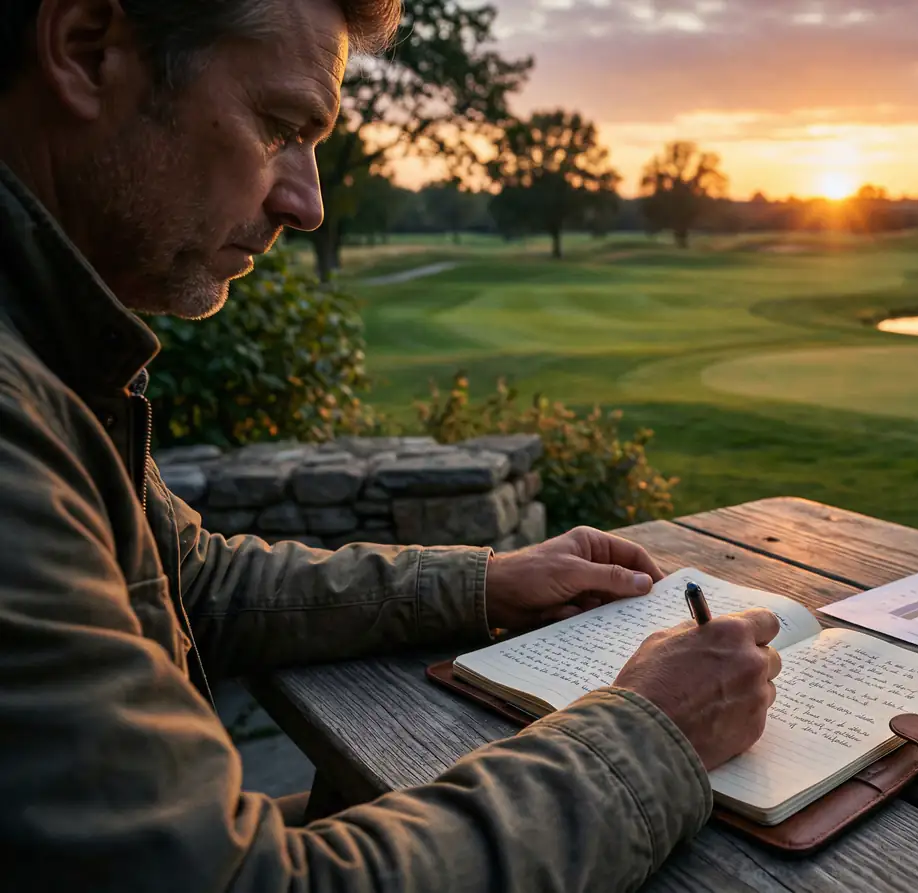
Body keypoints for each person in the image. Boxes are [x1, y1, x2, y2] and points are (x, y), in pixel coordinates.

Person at [0, 0, 783, 889]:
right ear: (87, 49)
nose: (307, 201)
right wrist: (654, 731)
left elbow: (196, 581)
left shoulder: (48, 348)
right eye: (279, 126)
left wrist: (486, 581)